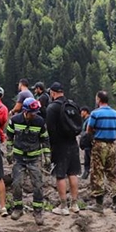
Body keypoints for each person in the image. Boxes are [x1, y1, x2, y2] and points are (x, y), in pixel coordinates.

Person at [5, 97, 48, 223]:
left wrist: (47, 157)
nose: (34, 115)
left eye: (36, 113)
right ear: (25, 111)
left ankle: (38, 211)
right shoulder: (14, 120)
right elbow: (9, 137)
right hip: (19, 158)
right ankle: (18, 208)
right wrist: (9, 152)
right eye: (32, 113)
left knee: (38, 185)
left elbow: (45, 140)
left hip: (34, 157)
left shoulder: (40, 122)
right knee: (17, 184)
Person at [44, 82, 81, 216]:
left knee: (60, 175)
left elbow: (50, 129)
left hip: (59, 145)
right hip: (73, 143)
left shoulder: (52, 107)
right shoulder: (73, 104)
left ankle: (63, 205)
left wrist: (51, 146)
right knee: (73, 173)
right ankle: (75, 204)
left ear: (53, 93)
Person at [86, 90, 116, 213]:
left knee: (97, 172)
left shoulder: (95, 113)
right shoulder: (115, 113)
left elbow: (89, 129)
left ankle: (99, 204)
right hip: (112, 145)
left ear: (99, 100)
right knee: (112, 173)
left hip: (100, 144)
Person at [78, 106, 92, 180]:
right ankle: (85, 175)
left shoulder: (89, 120)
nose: (81, 113)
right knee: (87, 160)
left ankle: (86, 174)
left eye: (82, 111)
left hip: (88, 144)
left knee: (89, 160)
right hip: (87, 144)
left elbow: (88, 133)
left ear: (85, 112)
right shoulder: (86, 120)